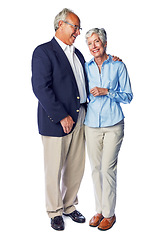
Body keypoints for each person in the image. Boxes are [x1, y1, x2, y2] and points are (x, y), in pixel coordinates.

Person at [31, 8, 88, 231]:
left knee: (76, 166)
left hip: (81, 116)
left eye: (79, 28)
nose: (78, 32)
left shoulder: (78, 54)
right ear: (60, 25)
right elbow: (40, 88)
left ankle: (69, 206)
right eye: (75, 27)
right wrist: (61, 115)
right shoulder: (44, 52)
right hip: (57, 120)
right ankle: (54, 211)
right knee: (54, 168)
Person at [84, 28, 133, 231]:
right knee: (95, 170)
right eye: (89, 43)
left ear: (104, 43)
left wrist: (108, 92)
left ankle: (109, 214)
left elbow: (128, 96)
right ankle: (99, 210)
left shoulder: (118, 66)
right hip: (91, 124)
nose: (93, 46)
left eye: (96, 42)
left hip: (113, 125)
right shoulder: (85, 67)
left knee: (107, 169)